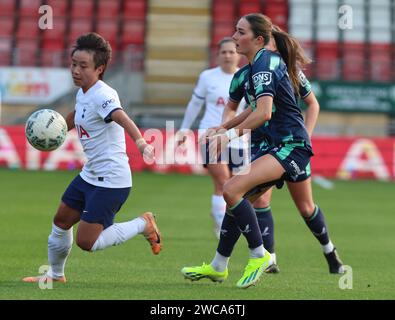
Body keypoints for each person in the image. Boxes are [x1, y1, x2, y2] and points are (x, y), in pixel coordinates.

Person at [181, 14, 343, 289]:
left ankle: (261, 255)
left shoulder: (268, 64)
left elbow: (264, 113)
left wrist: (229, 134)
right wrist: (223, 128)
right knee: (237, 196)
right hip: (271, 147)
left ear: (258, 40)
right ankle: (219, 265)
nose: (233, 37)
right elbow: (251, 110)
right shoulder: (252, 70)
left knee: (235, 191)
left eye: (239, 32)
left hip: (290, 146)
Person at [23, 33, 162, 284]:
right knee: (61, 221)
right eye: (73, 64)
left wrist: (140, 142)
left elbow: (121, 116)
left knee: (87, 242)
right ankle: (55, 276)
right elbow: (77, 113)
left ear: (100, 68)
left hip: (111, 179)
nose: (76, 70)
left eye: (83, 66)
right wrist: (53, 129)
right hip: (90, 175)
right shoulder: (83, 92)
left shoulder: (103, 94)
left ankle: (144, 223)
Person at [175, 37, 246, 239]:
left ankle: (225, 218)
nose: (227, 56)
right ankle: (221, 226)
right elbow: (195, 104)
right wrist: (184, 130)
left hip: (237, 137)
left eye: (231, 52)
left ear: (238, 54)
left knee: (236, 184)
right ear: (217, 55)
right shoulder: (207, 77)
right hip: (209, 134)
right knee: (223, 182)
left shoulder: (246, 77)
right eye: (223, 52)